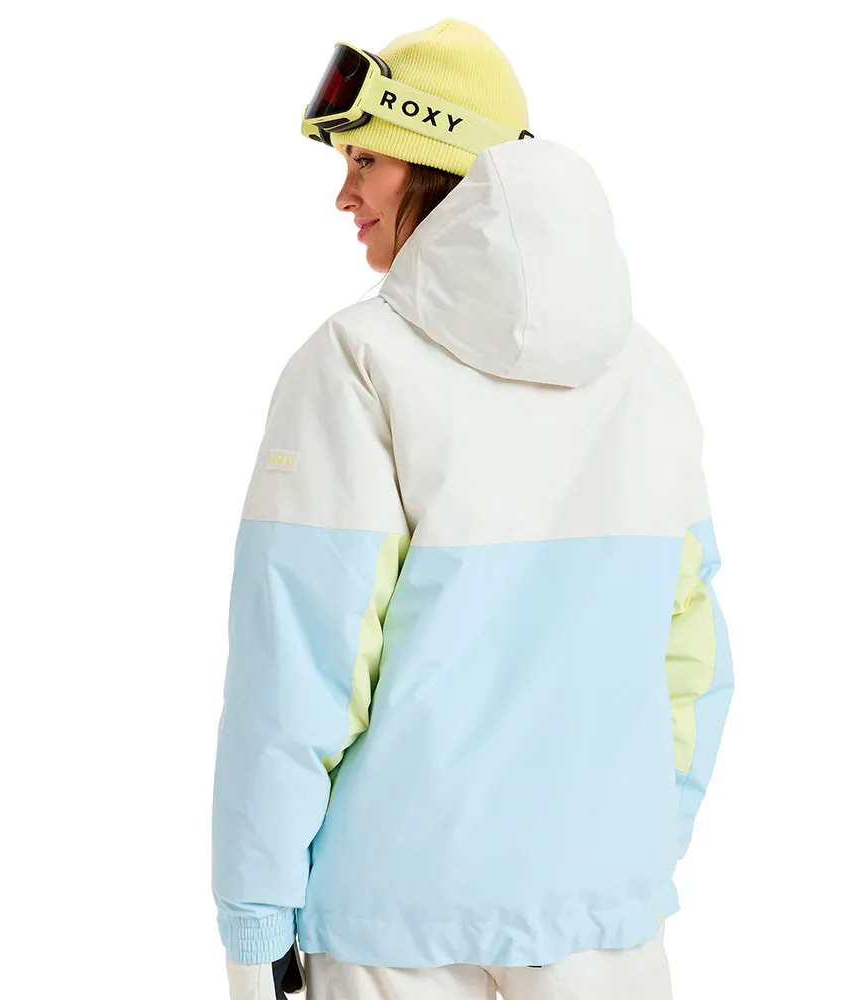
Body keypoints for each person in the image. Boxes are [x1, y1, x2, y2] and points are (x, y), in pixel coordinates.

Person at [212, 18, 734, 1000]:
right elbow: (693, 660)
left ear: (436, 161)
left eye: (365, 160)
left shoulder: (355, 362)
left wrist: (254, 919)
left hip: (391, 925)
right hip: (603, 925)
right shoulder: (649, 374)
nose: (343, 194)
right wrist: (631, 849)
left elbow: (301, 667)